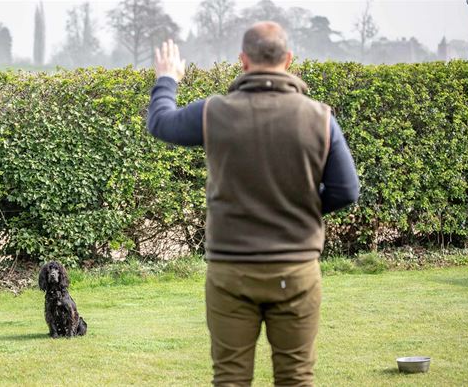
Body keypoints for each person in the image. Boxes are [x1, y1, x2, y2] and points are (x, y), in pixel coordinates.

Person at [147, 22, 360, 386]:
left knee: (230, 377)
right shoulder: (321, 119)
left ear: (242, 61)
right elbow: (345, 190)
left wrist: (167, 78)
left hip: (231, 271)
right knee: (296, 377)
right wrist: (297, 210)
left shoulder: (214, 112)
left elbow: (161, 123)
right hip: (296, 271)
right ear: (289, 60)